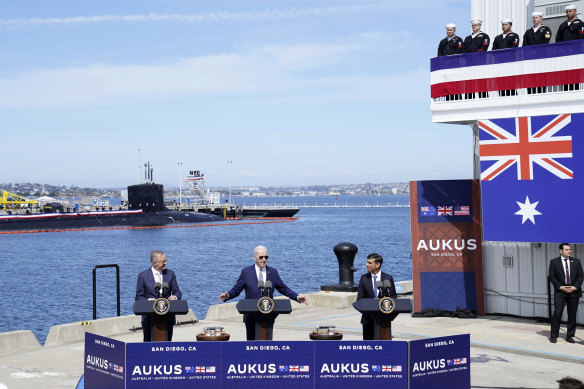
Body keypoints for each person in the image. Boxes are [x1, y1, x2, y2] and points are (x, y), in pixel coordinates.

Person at [218, 245, 308, 340]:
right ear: (255, 258)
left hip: (268, 315)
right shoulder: (246, 272)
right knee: (251, 345)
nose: (264, 259)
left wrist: (297, 297)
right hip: (251, 316)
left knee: (266, 344)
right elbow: (236, 289)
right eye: (261, 257)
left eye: (266, 257)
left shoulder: (273, 272)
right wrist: (227, 295)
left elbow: (283, 289)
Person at [135, 250, 182, 342]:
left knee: (167, 344)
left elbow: (178, 292)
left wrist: (175, 297)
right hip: (149, 318)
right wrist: (149, 300)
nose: (166, 263)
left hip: (167, 317)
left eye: (166, 260)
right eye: (163, 261)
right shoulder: (143, 276)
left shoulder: (170, 274)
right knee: (148, 345)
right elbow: (138, 297)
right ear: (155, 263)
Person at [356, 253, 397, 340]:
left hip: (384, 319)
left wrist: (382, 302)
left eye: (370, 263)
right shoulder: (364, 278)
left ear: (378, 265)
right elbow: (360, 298)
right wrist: (372, 302)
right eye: (367, 262)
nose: (367, 265)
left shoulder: (388, 278)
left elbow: (393, 298)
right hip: (368, 319)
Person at [549, 243, 583, 344]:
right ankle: (554, 336)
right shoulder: (554, 262)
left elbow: (580, 276)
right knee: (557, 313)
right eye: (567, 250)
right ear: (561, 251)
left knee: (572, 314)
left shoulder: (576, 262)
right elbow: (552, 276)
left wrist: (574, 287)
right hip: (560, 292)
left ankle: (570, 336)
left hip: (573, 292)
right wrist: (560, 287)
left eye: (570, 249)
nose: (569, 251)